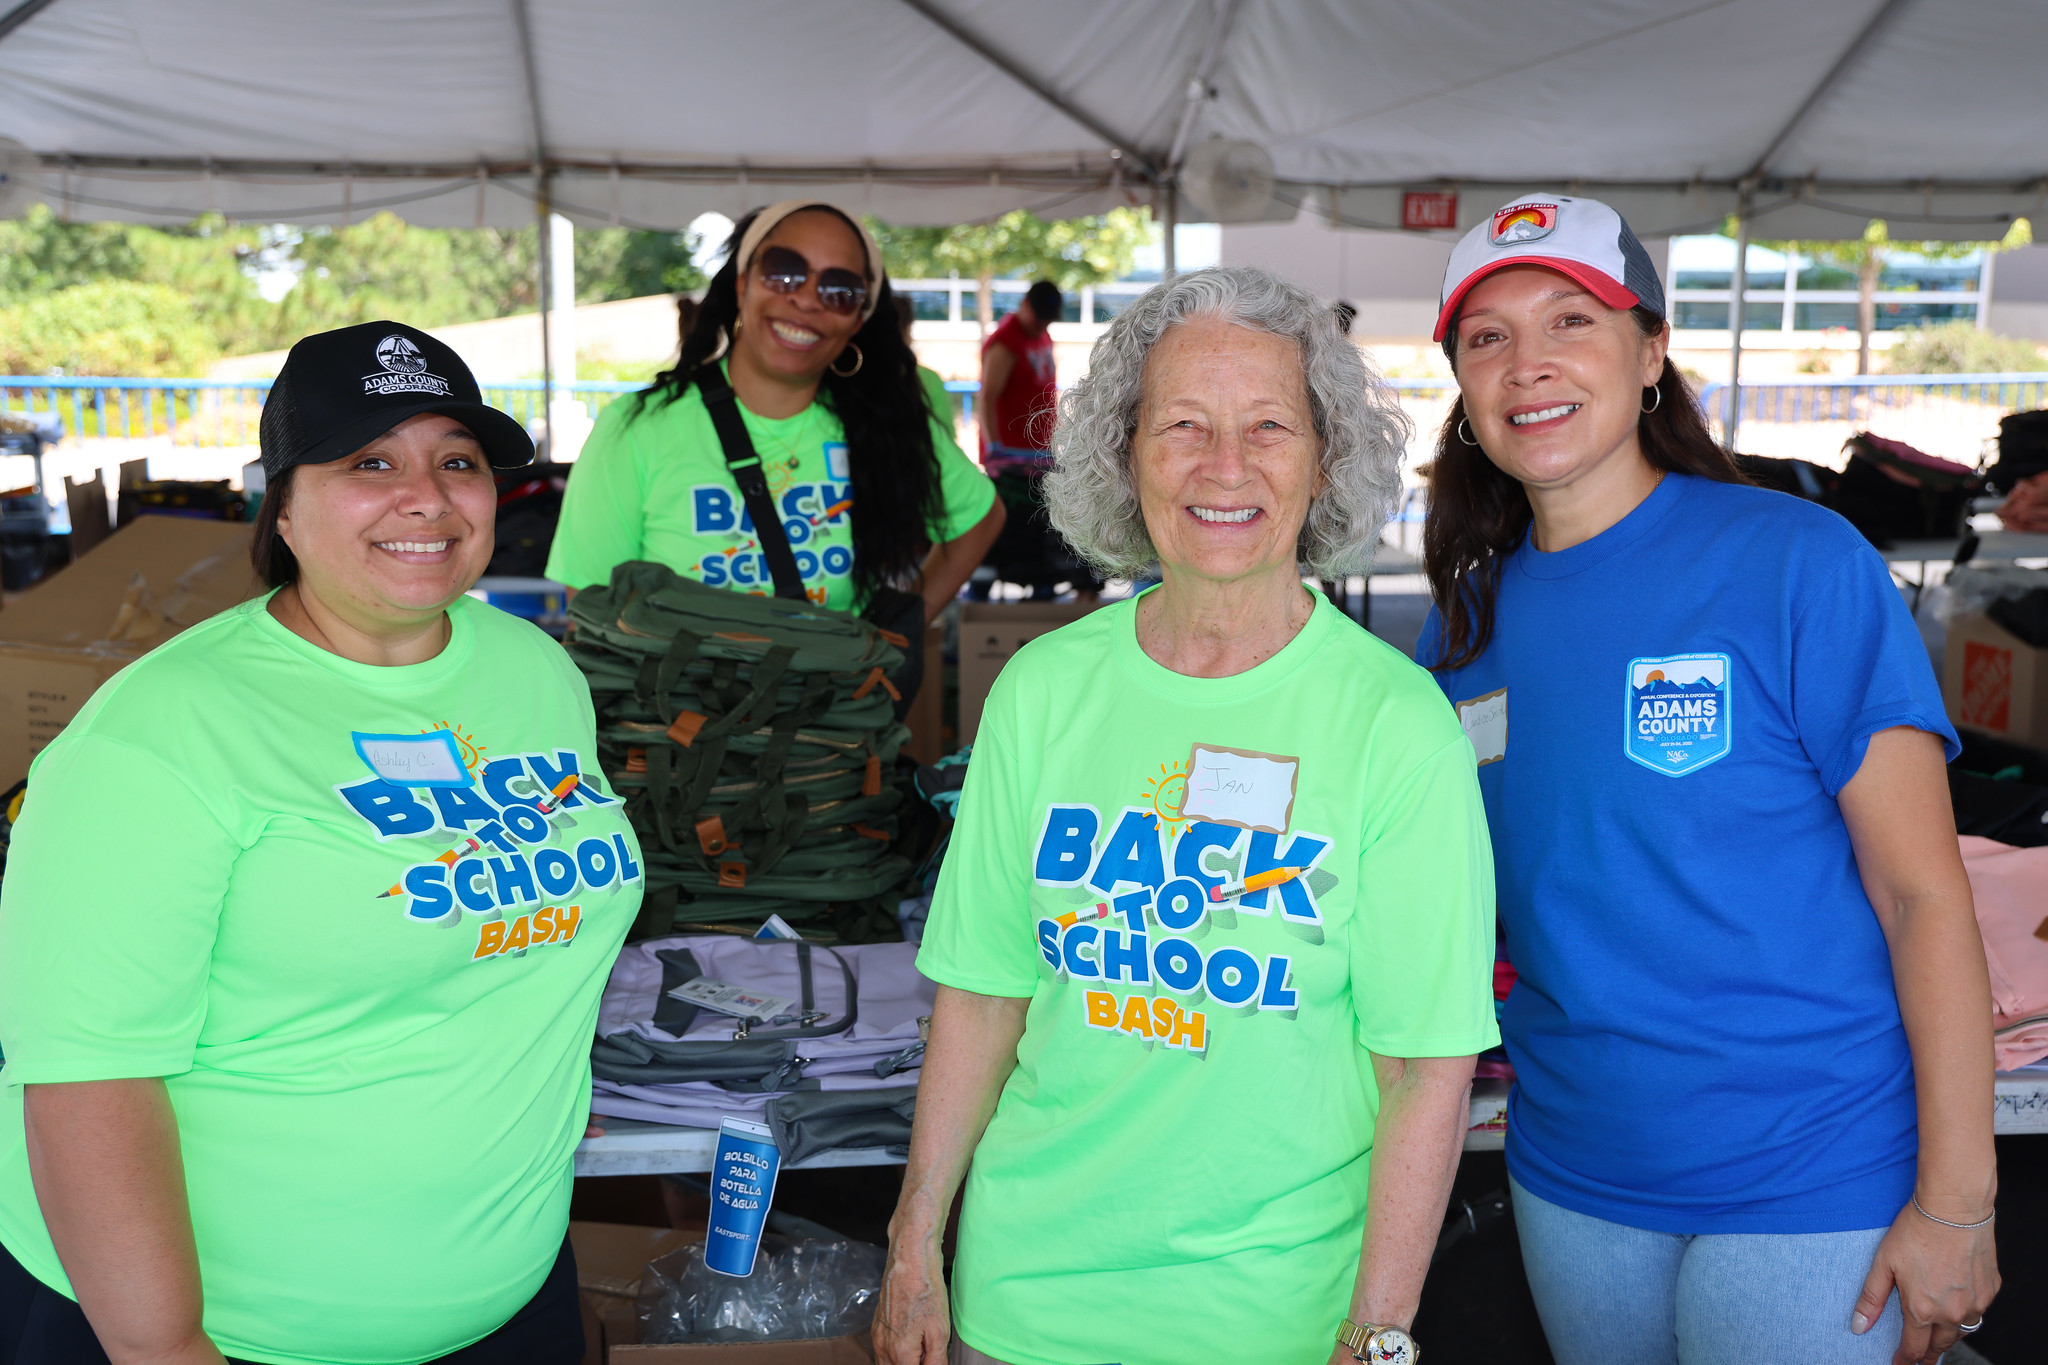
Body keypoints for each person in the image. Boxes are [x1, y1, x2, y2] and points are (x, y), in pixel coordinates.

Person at [875, 267, 1499, 1365]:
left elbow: (1422, 1070)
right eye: (1182, 427)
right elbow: (980, 995)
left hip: (1276, 1323)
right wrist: (913, 1242)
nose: (1225, 466)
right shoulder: (1041, 690)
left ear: (1324, 460)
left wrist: (1378, 1328)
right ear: (1125, 455)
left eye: (1268, 426)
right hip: (1023, 1307)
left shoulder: (1394, 725)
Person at [1417, 193, 2000, 1365]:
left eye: (1569, 322)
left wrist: (1956, 1202)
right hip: (1572, 1170)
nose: (1525, 365)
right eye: (1486, 338)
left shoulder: (1795, 563)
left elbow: (1921, 898)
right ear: (1464, 391)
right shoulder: (1458, 630)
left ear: (1648, 354)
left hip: (1812, 1168)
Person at [0, 322, 645, 1365]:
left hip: (509, 1300)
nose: (425, 497)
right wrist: (167, 1350)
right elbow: (87, 1082)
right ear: (282, 504)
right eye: (370, 463)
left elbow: (511, 929)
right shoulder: (159, 732)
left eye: (458, 462)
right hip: (221, 1333)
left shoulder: (535, 671)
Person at [546, 201, 1002, 624]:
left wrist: (894, 632)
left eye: (840, 289)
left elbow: (981, 519)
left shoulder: (887, 425)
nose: (806, 299)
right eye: (784, 272)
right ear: (744, 282)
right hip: (677, 709)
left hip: (832, 707)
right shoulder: (636, 427)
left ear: (858, 319)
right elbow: (589, 606)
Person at [975, 280, 1103, 600]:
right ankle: (978, 602)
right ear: (1026, 305)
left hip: (1039, 456)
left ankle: (1043, 604)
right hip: (1010, 463)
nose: (1043, 326)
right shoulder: (1005, 342)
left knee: (1044, 542)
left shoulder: (1041, 335)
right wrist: (993, 450)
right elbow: (987, 397)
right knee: (1007, 542)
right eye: (1040, 318)